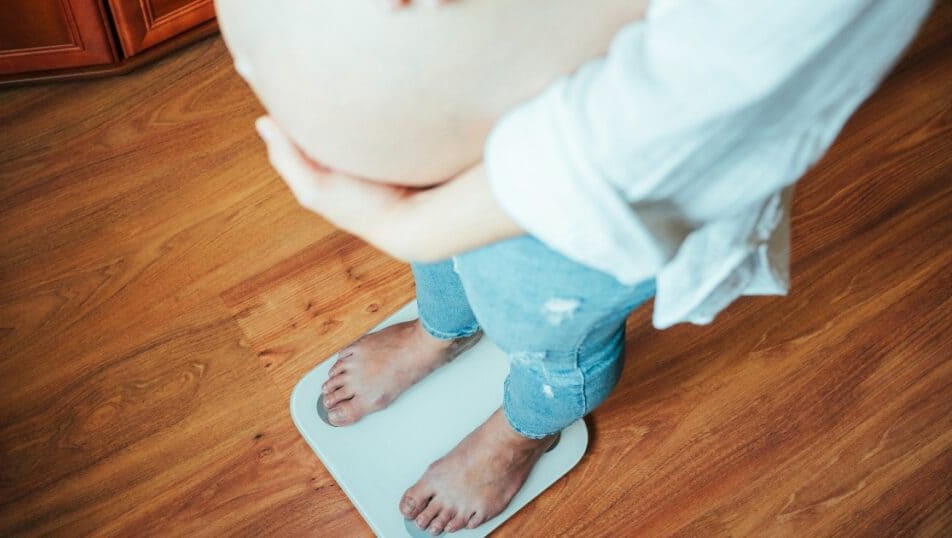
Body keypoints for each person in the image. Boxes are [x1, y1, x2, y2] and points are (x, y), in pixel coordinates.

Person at [217, 0, 934, 534]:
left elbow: (706, 81)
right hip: (440, 167)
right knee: (450, 268)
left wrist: (407, 222)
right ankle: (439, 330)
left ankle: (520, 432)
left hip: (584, 212)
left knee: (553, 346)